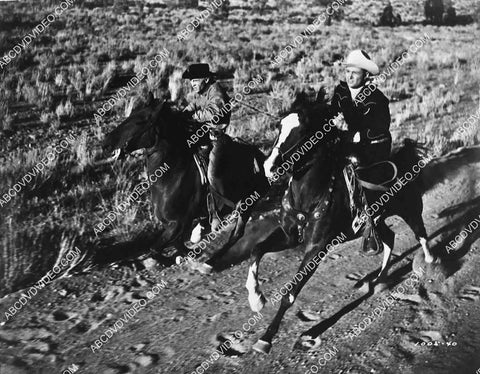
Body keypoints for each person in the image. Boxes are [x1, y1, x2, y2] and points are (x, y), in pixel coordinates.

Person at [329, 49, 392, 255]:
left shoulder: (378, 99)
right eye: (348, 71)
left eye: (355, 73)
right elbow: (331, 114)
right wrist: (332, 123)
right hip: (344, 142)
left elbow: (380, 127)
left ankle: (370, 220)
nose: (349, 76)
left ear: (366, 75)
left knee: (360, 169)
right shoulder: (340, 92)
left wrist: (354, 132)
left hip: (371, 146)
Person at [182, 63, 232, 241]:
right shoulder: (203, 92)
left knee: (212, 174)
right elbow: (194, 103)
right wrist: (184, 113)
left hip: (216, 136)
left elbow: (215, 113)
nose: (192, 84)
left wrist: (195, 116)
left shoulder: (216, 91)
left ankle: (216, 214)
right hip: (202, 134)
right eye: (191, 81)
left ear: (206, 79)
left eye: (195, 80)